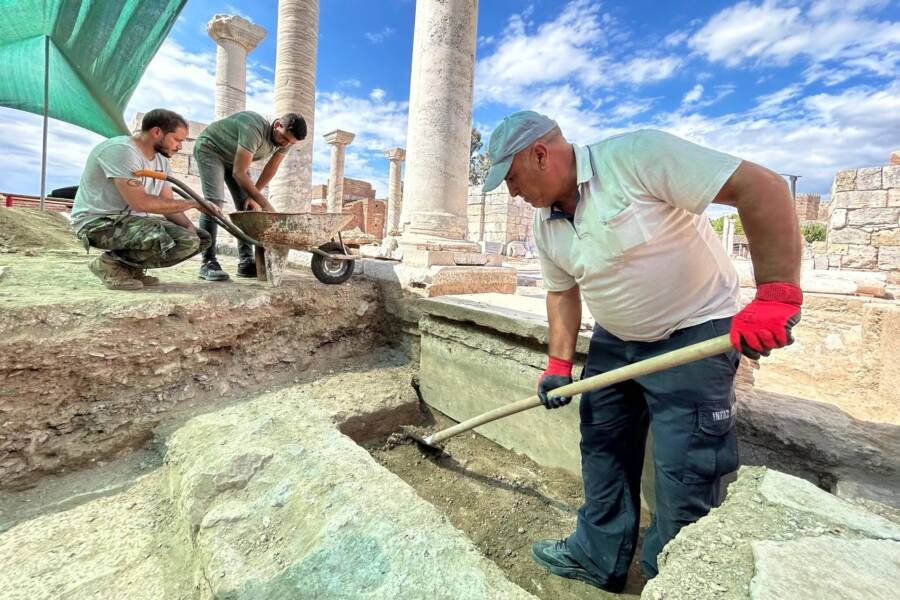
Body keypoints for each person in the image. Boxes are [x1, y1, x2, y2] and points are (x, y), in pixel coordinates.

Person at [482, 111, 802, 591]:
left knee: (687, 471)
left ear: (540, 154)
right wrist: (558, 364)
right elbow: (562, 292)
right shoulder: (544, 225)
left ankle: (671, 580)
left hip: (693, 334)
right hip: (615, 341)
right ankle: (598, 554)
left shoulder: (636, 156)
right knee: (602, 445)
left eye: (510, 177)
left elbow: (763, 187)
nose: (512, 192)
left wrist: (776, 294)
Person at [72, 109, 215, 290]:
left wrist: (189, 227)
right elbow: (140, 203)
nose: (180, 146)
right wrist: (194, 203)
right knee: (165, 235)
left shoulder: (161, 161)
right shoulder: (121, 151)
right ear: (157, 132)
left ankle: (130, 268)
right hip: (98, 223)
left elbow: (167, 204)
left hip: (130, 223)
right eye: (177, 140)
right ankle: (109, 264)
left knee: (199, 239)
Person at [193, 111, 306, 281]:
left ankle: (246, 262)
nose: (285, 144)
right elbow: (239, 173)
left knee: (248, 206)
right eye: (284, 138)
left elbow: (271, 168)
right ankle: (208, 261)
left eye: (290, 143)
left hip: (234, 159)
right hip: (211, 149)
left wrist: (255, 196)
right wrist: (265, 203)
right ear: (277, 125)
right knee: (213, 203)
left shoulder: (286, 141)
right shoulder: (253, 128)